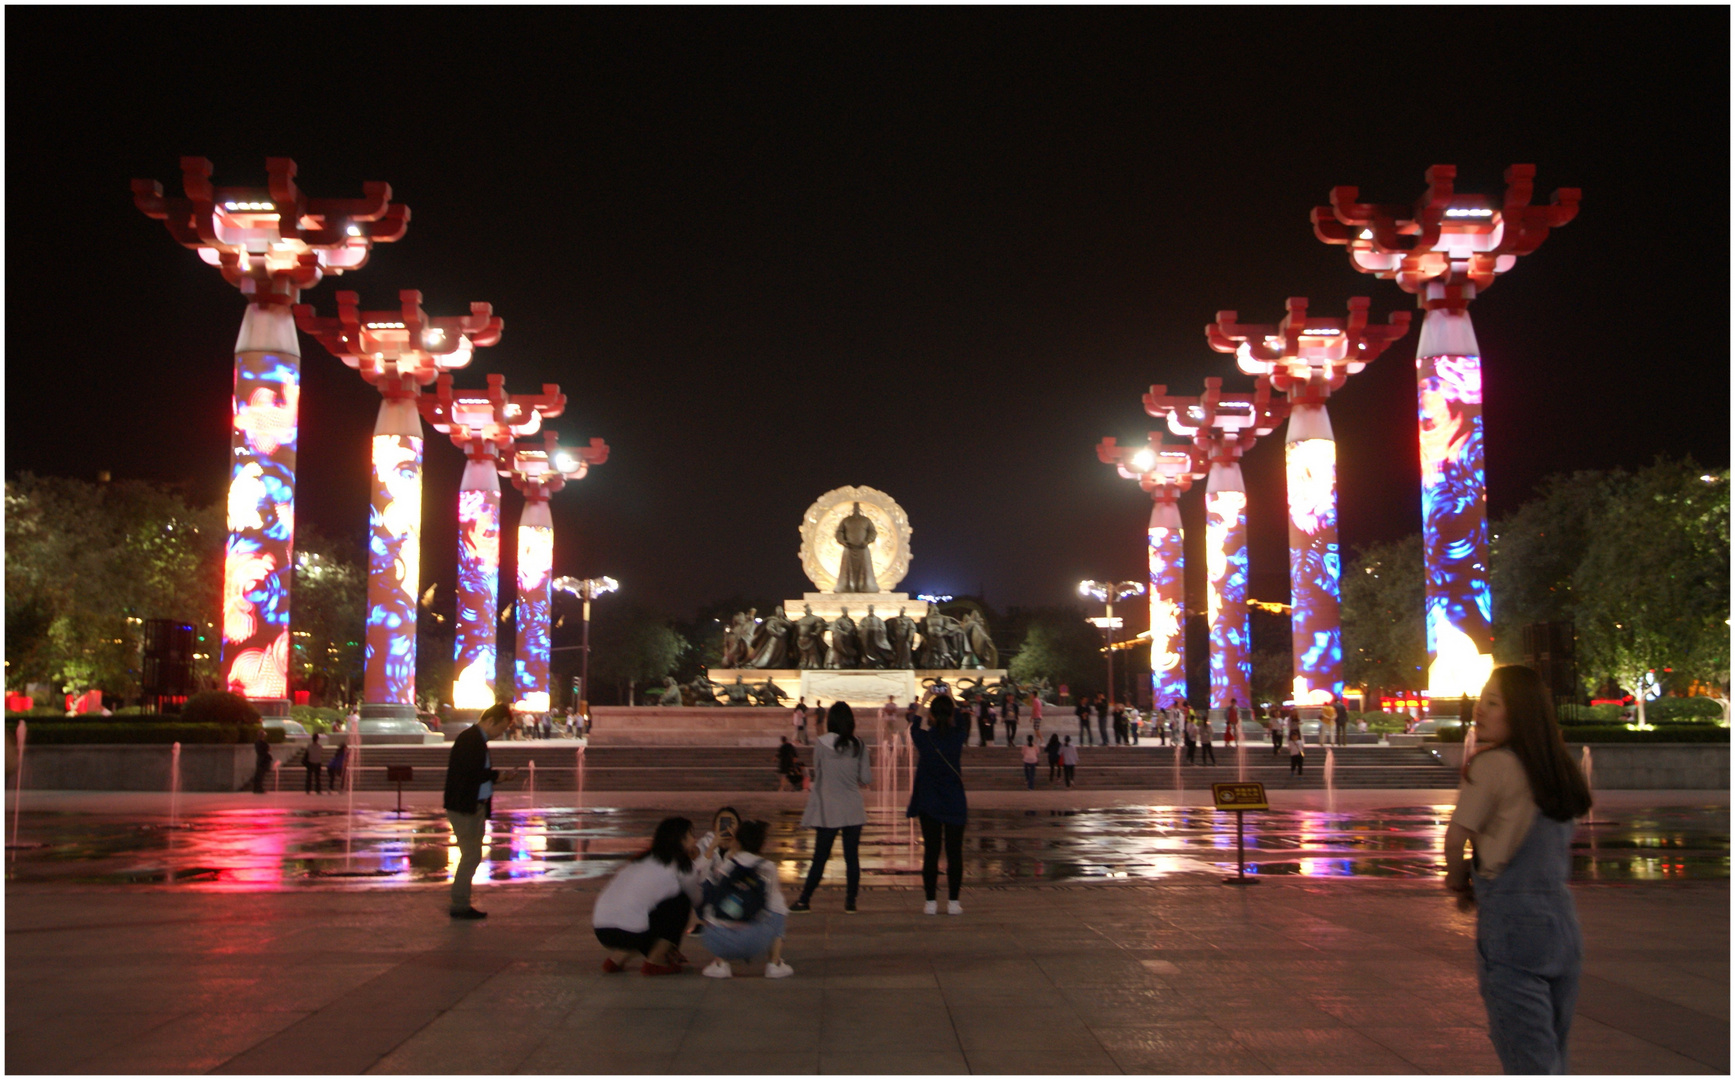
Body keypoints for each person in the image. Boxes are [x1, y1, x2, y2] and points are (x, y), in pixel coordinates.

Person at [1445, 666, 1593, 1074]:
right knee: (1552, 1057)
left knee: (1528, 1062)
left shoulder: (1491, 765)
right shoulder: (1559, 769)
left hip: (1513, 929)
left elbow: (1455, 840)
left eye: (1493, 703)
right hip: (1561, 927)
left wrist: (1458, 883)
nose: (1480, 709)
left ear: (1520, 714)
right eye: (1482, 699)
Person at [594, 816, 704, 975]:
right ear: (680, 840)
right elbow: (697, 899)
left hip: (602, 930)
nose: (695, 840)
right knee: (681, 901)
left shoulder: (641, 859)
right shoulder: (683, 866)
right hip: (631, 934)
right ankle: (656, 961)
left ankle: (617, 959)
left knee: (643, 910)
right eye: (691, 835)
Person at [791, 702, 872, 914]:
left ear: (830, 721)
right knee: (852, 857)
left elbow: (818, 772)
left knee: (820, 856)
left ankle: (804, 899)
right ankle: (851, 902)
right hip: (853, 807)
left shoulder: (821, 743)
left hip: (828, 809)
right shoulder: (859, 745)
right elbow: (866, 778)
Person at [443, 703, 518, 919]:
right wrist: (496, 776)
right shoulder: (471, 739)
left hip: (473, 805)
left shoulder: (476, 739)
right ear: (490, 721)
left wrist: (497, 777)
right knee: (471, 855)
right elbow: (471, 773)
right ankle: (459, 904)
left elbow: (475, 772)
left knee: (472, 855)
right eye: (501, 728)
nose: (501, 733)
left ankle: (461, 902)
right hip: (465, 807)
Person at [698, 818, 794, 978]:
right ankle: (774, 964)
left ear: (737, 841)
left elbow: (702, 883)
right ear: (762, 844)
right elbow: (777, 908)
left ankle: (720, 964)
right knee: (778, 907)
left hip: (717, 941)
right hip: (755, 942)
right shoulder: (768, 867)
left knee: (717, 903)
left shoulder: (726, 866)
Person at [907, 695, 968, 915]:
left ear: (931, 715)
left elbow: (914, 723)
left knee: (931, 852)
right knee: (954, 853)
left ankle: (930, 902)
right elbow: (960, 721)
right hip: (954, 800)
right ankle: (953, 902)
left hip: (929, 801)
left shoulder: (924, 739)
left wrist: (923, 701)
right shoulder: (957, 737)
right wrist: (951, 697)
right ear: (950, 714)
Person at [250, 729, 273, 794]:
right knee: (261, 775)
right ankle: (259, 788)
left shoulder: (257, 742)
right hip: (263, 760)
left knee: (258, 775)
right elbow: (268, 749)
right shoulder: (263, 743)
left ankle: (256, 788)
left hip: (260, 759)